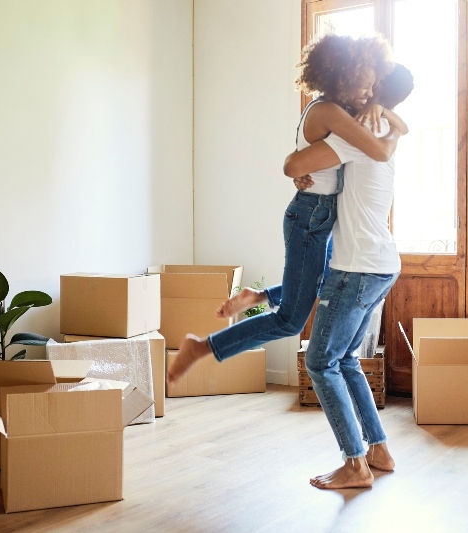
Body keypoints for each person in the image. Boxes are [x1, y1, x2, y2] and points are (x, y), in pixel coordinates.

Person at [167, 34, 402, 384]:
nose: (369, 94)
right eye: (365, 86)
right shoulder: (329, 111)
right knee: (291, 320)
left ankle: (258, 296)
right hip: (309, 216)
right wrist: (395, 127)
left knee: (327, 285)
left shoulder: (335, 110)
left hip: (320, 214)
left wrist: (380, 107)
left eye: (374, 87)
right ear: (346, 77)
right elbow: (371, 152)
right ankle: (200, 348)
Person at [283, 64, 415, 490]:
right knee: (345, 359)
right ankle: (378, 448)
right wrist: (397, 125)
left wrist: (296, 166)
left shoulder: (356, 136)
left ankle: (355, 464)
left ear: (372, 88)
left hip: (357, 266)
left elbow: (295, 164)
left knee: (320, 361)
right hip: (381, 263)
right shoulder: (378, 131)